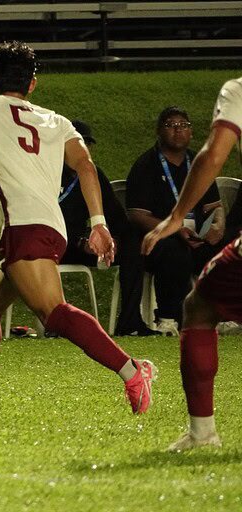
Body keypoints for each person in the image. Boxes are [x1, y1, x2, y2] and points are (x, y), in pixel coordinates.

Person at [0, 41, 156, 418]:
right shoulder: (56, 121)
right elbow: (87, 167)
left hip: (23, 226)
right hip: (52, 227)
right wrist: (98, 224)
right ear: (32, 85)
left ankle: (133, 371)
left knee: (53, 312)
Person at [143, 77, 242, 451]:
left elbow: (213, 155)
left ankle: (202, 434)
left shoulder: (238, 90)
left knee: (199, 307)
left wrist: (176, 216)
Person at [126, 107, 226, 336]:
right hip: (160, 237)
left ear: (191, 132)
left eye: (184, 125)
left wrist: (217, 226)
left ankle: (223, 314)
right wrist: (172, 229)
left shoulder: (199, 163)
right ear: (159, 131)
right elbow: (136, 214)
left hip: (197, 234)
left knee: (229, 246)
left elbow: (214, 207)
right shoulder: (146, 165)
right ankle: (169, 317)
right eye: (171, 125)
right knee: (174, 250)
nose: (178, 130)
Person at [58, 120, 157, 336]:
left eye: (88, 144)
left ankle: (130, 322)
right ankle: (55, 324)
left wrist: (113, 240)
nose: (84, 149)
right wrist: (79, 240)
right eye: (79, 143)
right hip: (52, 243)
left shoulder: (95, 176)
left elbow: (117, 219)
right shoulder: (47, 173)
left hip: (84, 244)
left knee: (132, 244)